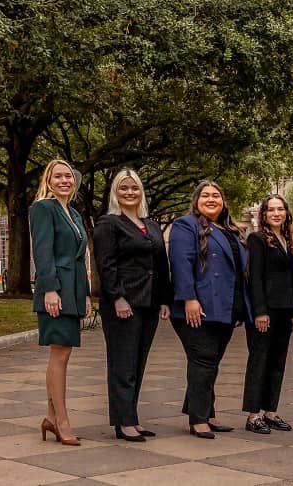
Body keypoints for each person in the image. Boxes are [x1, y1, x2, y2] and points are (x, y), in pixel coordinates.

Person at [92, 169, 172, 443]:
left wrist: (164, 299)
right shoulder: (108, 223)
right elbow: (106, 264)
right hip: (123, 303)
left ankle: (131, 417)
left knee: (138, 362)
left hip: (149, 302)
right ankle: (123, 421)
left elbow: (161, 265)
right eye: (123, 188)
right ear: (115, 192)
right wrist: (118, 297)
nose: (129, 193)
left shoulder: (150, 225)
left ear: (141, 192)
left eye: (134, 188)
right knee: (122, 363)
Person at [168, 180, 249, 439]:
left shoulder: (230, 231)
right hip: (198, 307)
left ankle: (206, 412)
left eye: (216, 195)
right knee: (202, 361)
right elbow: (182, 262)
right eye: (205, 195)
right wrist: (189, 298)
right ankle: (199, 419)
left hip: (225, 308)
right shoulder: (185, 225)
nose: (211, 199)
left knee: (210, 362)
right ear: (196, 200)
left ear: (223, 201)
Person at [30, 159, 93, 447]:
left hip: (74, 290)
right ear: (48, 180)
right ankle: (62, 420)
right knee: (60, 354)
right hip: (56, 290)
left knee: (64, 354)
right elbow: (43, 253)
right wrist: (49, 290)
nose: (65, 180)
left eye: (69, 176)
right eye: (58, 176)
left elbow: (80, 258)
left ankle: (51, 417)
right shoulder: (44, 209)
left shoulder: (75, 214)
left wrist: (87, 293)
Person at [242, 194, 293, 433]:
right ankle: (253, 415)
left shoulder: (288, 240)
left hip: (285, 312)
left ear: (286, 213)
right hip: (265, 312)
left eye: (280, 209)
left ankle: (270, 412)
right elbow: (254, 277)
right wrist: (259, 311)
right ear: (264, 215)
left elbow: (292, 279)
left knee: (278, 362)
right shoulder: (256, 239)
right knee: (259, 361)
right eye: (271, 210)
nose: (276, 214)